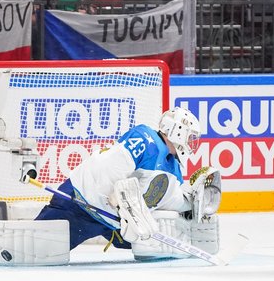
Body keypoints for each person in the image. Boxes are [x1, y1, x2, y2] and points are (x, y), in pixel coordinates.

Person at [34, 107, 222, 260]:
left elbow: (167, 198)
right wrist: (117, 198)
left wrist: (191, 202)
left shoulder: (173, 166)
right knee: (35, 249)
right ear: (177, 131)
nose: (191, 142)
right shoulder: (146, 139)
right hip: (80, 202)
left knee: (154, 247)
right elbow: (107, 166)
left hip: (111, 222)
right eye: (190, 137)